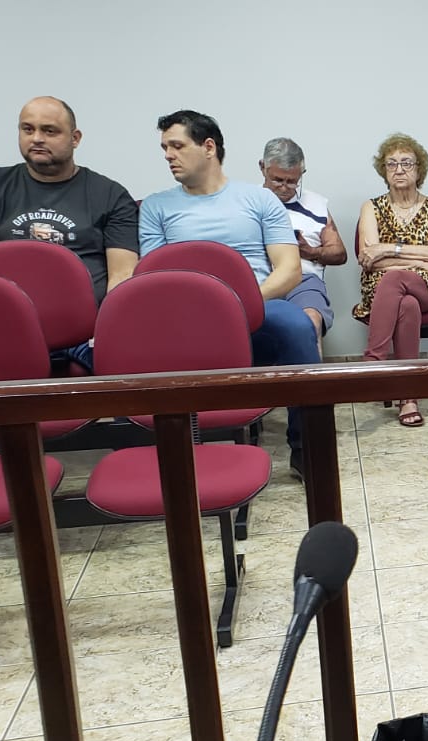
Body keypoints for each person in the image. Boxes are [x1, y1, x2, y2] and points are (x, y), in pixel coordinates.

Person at [140, 110, 316, 480]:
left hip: (257, 306)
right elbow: (152, 277)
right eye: (165, 148)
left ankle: (308, 450)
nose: (168, 155)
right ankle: (176, 453)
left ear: (208, 147)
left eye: (177, 146)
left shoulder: (260, 199)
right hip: (187, 314)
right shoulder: (156, 206)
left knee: (299, 327)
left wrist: (237, 305)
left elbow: (289, 270)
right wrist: (207, 310)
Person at [0, 96, 138, 372]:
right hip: (3, 328)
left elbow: (122, 276)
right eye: (27, 129)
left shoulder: (110, 195)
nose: (37, 139)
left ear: (75, 138)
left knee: (133, 366)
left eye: (49, 131)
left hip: (84, 335)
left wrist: (107, 330)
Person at [353, 133, 428, 428]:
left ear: (419, 169)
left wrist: (388, 249)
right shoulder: (371, 207)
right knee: (406, 304)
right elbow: (368, 258)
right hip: (382, 284)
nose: (399, 169)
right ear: (383, 171)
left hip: (427, 285)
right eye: (391, 164)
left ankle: (374, 362)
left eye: (406, 163)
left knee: (396, 277)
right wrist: (421, 261)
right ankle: (409, 397)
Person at [259, 137, 344, 355]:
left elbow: (339, 253)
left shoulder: (316, 204)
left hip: (302, 280)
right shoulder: (248, 201)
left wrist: (311, 252)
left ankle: (310, 376)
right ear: (262, 168)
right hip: (259, 279)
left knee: (310, 320)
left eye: (292, 181)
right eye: (277, 180)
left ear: (301, 174)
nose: (284, 188)